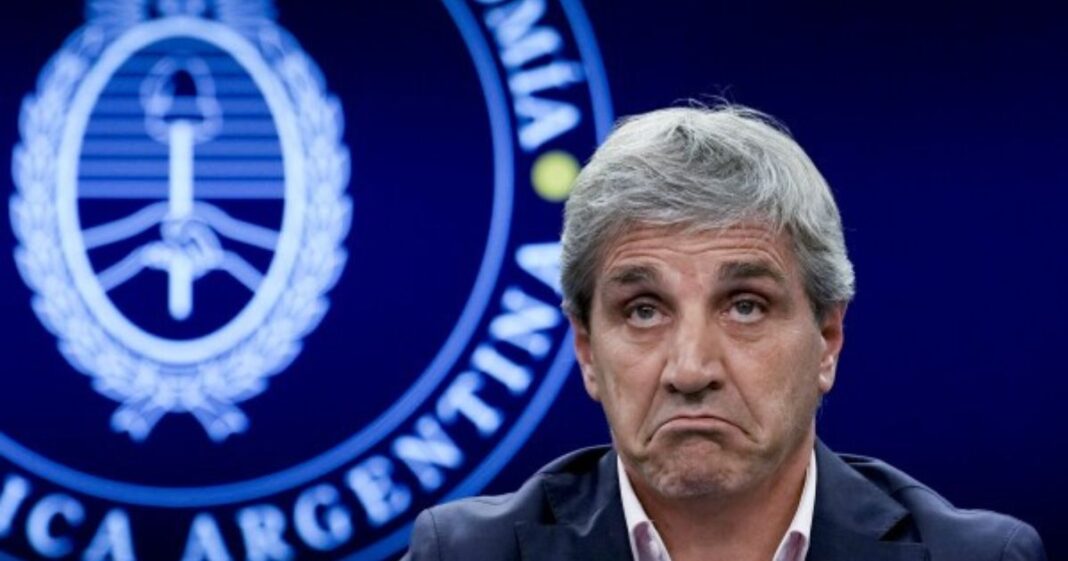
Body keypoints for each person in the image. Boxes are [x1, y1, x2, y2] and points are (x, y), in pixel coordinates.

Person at [401, 105, 1047, 561]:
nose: (690, 369)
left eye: (744, 306)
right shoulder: (465, 553)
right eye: (644, 310)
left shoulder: (976, 556)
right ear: (587, 350)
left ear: (827, 338)